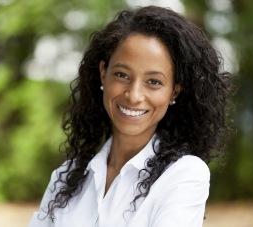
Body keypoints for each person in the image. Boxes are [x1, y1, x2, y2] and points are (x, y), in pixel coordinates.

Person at [29, 5, 233, 227]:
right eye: (122, 75)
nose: (134, 95)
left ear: (174, 91)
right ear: (103, 73)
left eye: (154, 82)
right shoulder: (66, 177)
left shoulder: (183, 175)